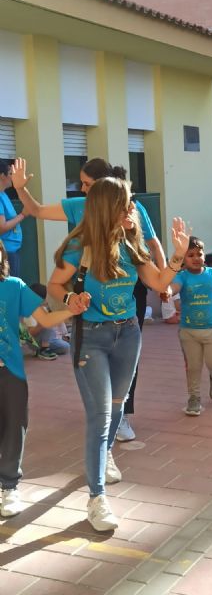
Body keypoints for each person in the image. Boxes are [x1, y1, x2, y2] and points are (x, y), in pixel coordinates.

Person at [48, 177, 189, 531]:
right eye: (126, 203)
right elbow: (53, 285)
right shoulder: (79, 247)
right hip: (90, 338)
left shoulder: (130, 242)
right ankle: (96, 500)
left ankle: (105, 453)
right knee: (99, 417)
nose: (133, 209)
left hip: (128, 334)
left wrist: (176, 256)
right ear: (107, 207)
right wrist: (70, 300)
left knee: (115, 409)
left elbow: (159, 284)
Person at [11, 157, 167, 443]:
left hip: (130, 288)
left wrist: (163, 282)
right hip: (92, 294)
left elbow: (151, 243)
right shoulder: (79, 207)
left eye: (87, 184)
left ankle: (121, 417)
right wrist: (20, 189)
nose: (82, 190)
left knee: (127, 355)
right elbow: (35, 210)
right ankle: (102, 415)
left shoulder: (131, 205)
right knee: (94, 350)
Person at [0, 240, 84, 518]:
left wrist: (71, 310)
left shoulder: (13, 286)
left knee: (14, 425)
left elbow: (44, 321)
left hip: (9, 370)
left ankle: (9, 485)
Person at [171, 236, 212, 417]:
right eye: (190, 255)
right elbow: (174, 288)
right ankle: (194, 398)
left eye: (199, 254)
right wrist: (167, 292)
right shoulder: (182, 276)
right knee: (193, 367)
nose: (195, 258)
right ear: (184, 259)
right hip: (188, 331)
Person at [24, 283, 71, 358]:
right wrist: (41, 325)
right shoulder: (29, 311)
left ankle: (50, 346)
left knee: (67, 341)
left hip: (50, 338)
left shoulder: (43, 308)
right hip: (36, 342)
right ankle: (44, 350)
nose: (46, 300)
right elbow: (30, 335)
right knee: (66, 347)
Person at [0, 160, 25, 277]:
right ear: (2, 176)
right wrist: (23, 215)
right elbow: (2, 227)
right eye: (10, 173)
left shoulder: (3, 194)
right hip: (5, 253)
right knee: (11, 291)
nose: (12, 177)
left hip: (11, 251)